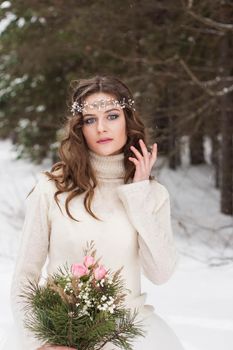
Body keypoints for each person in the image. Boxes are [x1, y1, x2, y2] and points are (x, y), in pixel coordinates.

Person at [9, 75, 185, 350]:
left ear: (127, 120)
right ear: (80, 128)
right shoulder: (52, 188)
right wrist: (40, 343)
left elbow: (161, 273)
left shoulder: (152, 194)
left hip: (132, 336)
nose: (101, 127)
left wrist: (138, 195)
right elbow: (25, 277)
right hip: (63, 337)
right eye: (90, 120)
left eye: (112, 116)